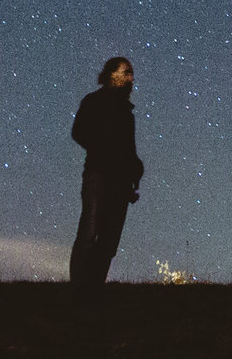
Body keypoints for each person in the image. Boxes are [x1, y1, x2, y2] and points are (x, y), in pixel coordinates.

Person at [67, 55, 143, 288]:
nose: (131, 78)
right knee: (89, 231)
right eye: (126, 72)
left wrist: (135, 169)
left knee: (110, 239)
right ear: (112, 74)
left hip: (120, 181)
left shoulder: (127, 112)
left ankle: (93, 288)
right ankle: (79, 288)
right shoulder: (93, 101)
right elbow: (79, 132)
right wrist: (104, 150)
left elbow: (129, 148)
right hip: (98, 175)